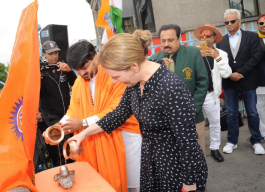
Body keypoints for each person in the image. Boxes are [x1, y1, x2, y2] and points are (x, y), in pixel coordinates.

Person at [67, 30, 208, 192]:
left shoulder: (170, 87)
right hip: (152, 160)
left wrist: (189, 184)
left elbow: (187, 142)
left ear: (134, 66)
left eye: (116, 76)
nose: (114, 81)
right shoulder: (135, 84)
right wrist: (82, 134)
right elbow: (117, 115)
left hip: (175, 166)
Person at [44, 40, 142, 192]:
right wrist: (57, 127)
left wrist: (83, 124)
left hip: (126, 138)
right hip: (93, 142)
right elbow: (73, 109)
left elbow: (115, 110)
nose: (82, 73)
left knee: (132, 185)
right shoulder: (78, 83)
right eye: (77, 70)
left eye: (84, 67)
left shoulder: (114, 74)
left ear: (95, 55)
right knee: (98, 184)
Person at [150, 24, 209, 157]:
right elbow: (151, 91)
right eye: (163, 41)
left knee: (196, 156)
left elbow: (202, 83)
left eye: (170, 40)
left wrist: (194, 108)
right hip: (166, 122)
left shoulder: (193, 53)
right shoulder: (154, 59)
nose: (166, 44)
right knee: (174, 160)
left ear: (179, 39)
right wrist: (159, 71)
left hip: (192, 118)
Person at [216, 9, 265, 154]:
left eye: (232, 21)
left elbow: (255, 58)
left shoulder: (251, 37)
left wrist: (240, 73)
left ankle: (256, 141)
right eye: (226, 22)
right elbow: (220, 62)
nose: (229, 24)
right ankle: (232, 141)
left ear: (239, 21)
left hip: (248, 81)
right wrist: (231, 74)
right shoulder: (221, 41)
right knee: (231, 113)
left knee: (252, 112)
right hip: (230, 82)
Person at [194, 24, 232, 162]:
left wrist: (217, 57)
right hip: (195, 95)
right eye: (202, 35)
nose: (204, 37)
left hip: (211, 94)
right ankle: (196, 151)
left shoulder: (221, 54)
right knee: (194, 124)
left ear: (215, 38)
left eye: (208, 35)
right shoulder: (194, 52)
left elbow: (227, 73)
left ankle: (215, 148)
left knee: (215, 122)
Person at [38, 40, 77, 166]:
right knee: (57, 150)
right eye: (50, 54)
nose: (54, 56)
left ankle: (73, 169)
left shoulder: (63, 68)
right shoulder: (40, 72)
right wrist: (38, 80)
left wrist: (69, 71)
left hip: (68, 114)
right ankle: (62, 172)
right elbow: (36, 95)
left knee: (71, 145)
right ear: (44, 54)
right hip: (51, 117)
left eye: (55, 53)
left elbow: (76, 85)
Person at [256, 14, 265, 140]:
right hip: (260, 80)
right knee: (260, 109)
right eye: (261, 23)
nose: (264, 25)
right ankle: (263, 132)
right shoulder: (254, 39)